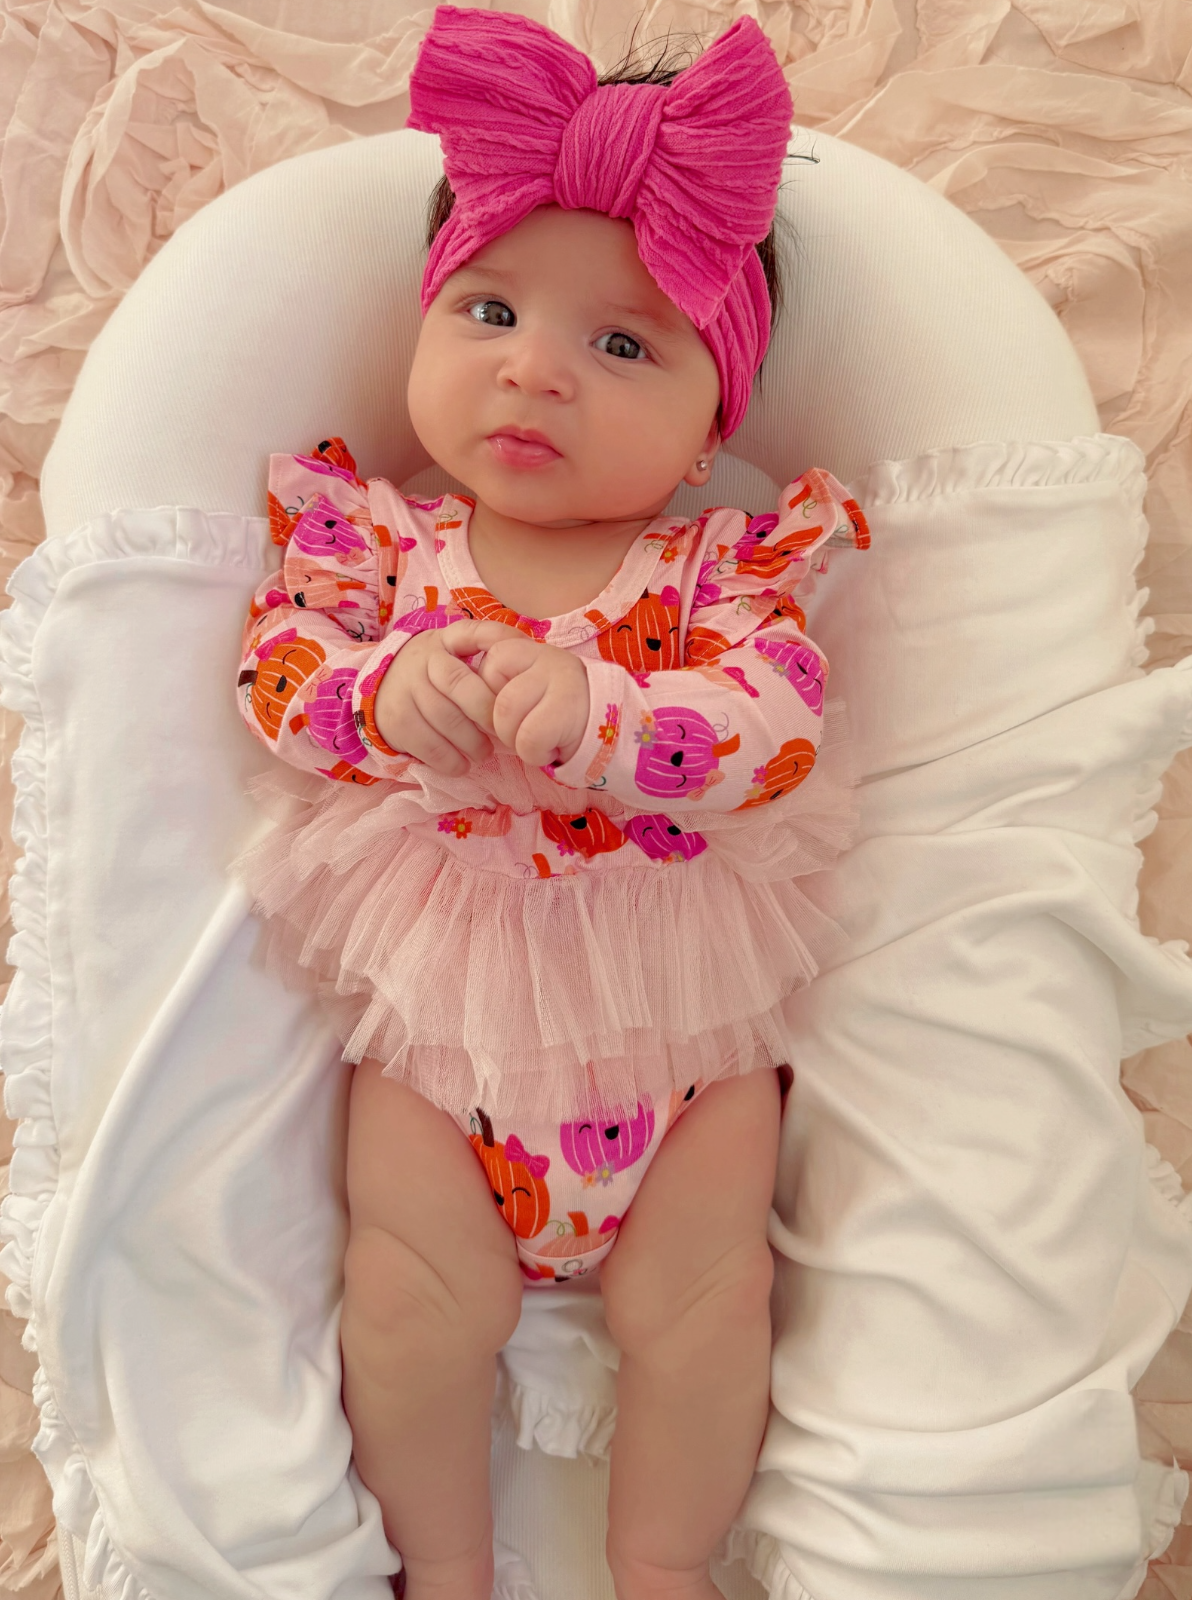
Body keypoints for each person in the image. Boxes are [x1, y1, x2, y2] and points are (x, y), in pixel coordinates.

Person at [232, 8, 870, 1598]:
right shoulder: (380, 548)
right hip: (444, 1018)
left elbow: (777, 731)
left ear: (712, 422)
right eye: (491, 308)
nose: (532, 368)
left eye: (622, 344)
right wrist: (384, 698)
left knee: (708, 1305)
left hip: (684, 1015)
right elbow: (281, 681)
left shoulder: (716, 568)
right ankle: (440, 1573)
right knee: (406, 1293)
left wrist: (617, 713)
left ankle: (660, 1569)